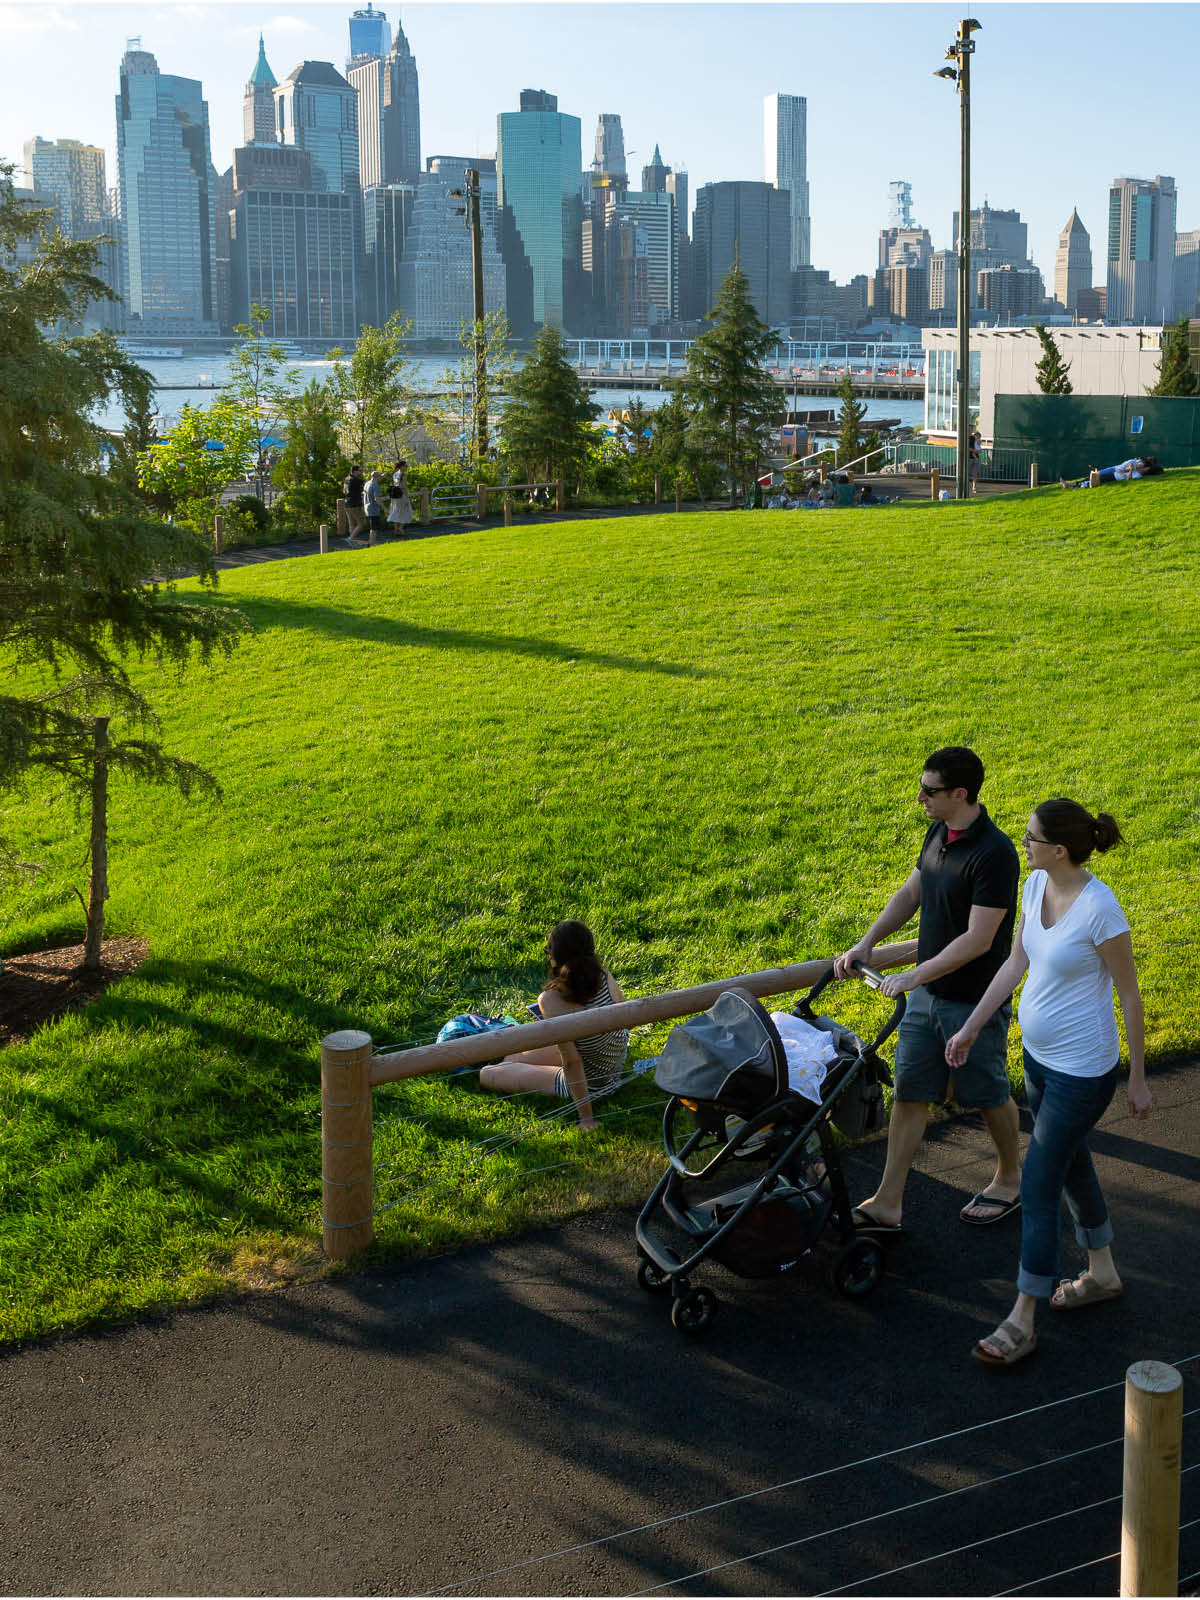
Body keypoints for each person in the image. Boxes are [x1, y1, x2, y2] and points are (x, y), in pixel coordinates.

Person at [945, 800, 1150, 1366]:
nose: (1023, 844)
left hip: (1083, 1073)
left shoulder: (1101, 909)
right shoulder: (1035, 887)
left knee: (1037, 1185)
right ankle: (1103, 1273)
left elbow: (1129, 994)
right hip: (1036, 1060)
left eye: (1032, 838)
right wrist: (969, 1027)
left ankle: (1022, 1319)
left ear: (1059, 849)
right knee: (1070, 1162)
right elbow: (1015, 964)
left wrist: (1136, 1077)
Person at [833, 746, 1021, 1231]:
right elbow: (912, 892)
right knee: (911, 1093)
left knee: (986, 1092)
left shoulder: (995, 854)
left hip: (973, 1000)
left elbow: (979, 940)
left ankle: (1010, 1175)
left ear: (960, 794)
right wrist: (867, 943)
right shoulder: (939, 831)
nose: (920, 798)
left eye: (930, 791)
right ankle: (888, 1201)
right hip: (926, 997)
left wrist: (915, 975)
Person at [478, 922, 630, 1130]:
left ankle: (503, 1067)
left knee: (487, 1073)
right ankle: (511, 1063)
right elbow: (626, 1018)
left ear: (556, 957)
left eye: (548, 950)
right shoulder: (604, 976)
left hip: (594, 1083)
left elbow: (572, 1062)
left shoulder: (550, 1000)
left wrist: (586, 1119)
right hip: (612, 1061)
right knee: (509, 1058)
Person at [1059, 457, 1160, 489]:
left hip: (1114, 475)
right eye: (1142, 465)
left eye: (1143, 468)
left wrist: (1128, 472)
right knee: (1093, 475)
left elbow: (1127, 476)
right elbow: (1125, 468)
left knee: (1092, 480)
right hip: (1113, 468)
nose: (1141, 466)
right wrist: (1128, 470)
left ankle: (1069, 485)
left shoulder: (1137, 474)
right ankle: (1069, 484)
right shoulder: (1136, 461)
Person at [388, 459, 413, 534]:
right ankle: (401, 528)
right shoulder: (403, 475)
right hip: (401, 495)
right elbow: (404, 486)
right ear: (401, 466)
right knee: (406, 511)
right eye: (405, 466)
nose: (406, 467)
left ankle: (396, 529)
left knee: (396, 511)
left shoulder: (395, 474)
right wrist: (407, 496)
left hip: (395, 495)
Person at [343, 463, 366, 543]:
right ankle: (350, 538)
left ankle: (351, 539)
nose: (361, 472)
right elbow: (367, 483)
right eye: (360, 471)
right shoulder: (355, 479)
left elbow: (344, 490)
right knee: (361, 523)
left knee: (351, 523)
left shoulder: (346, 479)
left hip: (347, 503)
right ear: (355, 471)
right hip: (354, 504)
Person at [363, 469, 384, 542]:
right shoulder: (375, 485)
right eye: (380, 477)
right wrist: (384, 508)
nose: (380, 478)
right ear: (376, 477)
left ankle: (371, 542)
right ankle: (371, 543)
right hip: (373, 509)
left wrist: (383, 475)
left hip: (367, 508)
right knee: (374, 528)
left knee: (372, 527)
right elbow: (377, 499)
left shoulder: (367, 483)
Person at [968, 429, 981, 495]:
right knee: (967, 473)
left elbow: (979, 449)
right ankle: (965, 487)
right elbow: (968, 448)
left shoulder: (977, 441)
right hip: (970, 458)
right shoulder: (970, 439)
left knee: (975, 474)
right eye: (977, 436)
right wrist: (975, 451)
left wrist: (977, 451)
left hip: (976, 458)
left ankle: (974, 488)